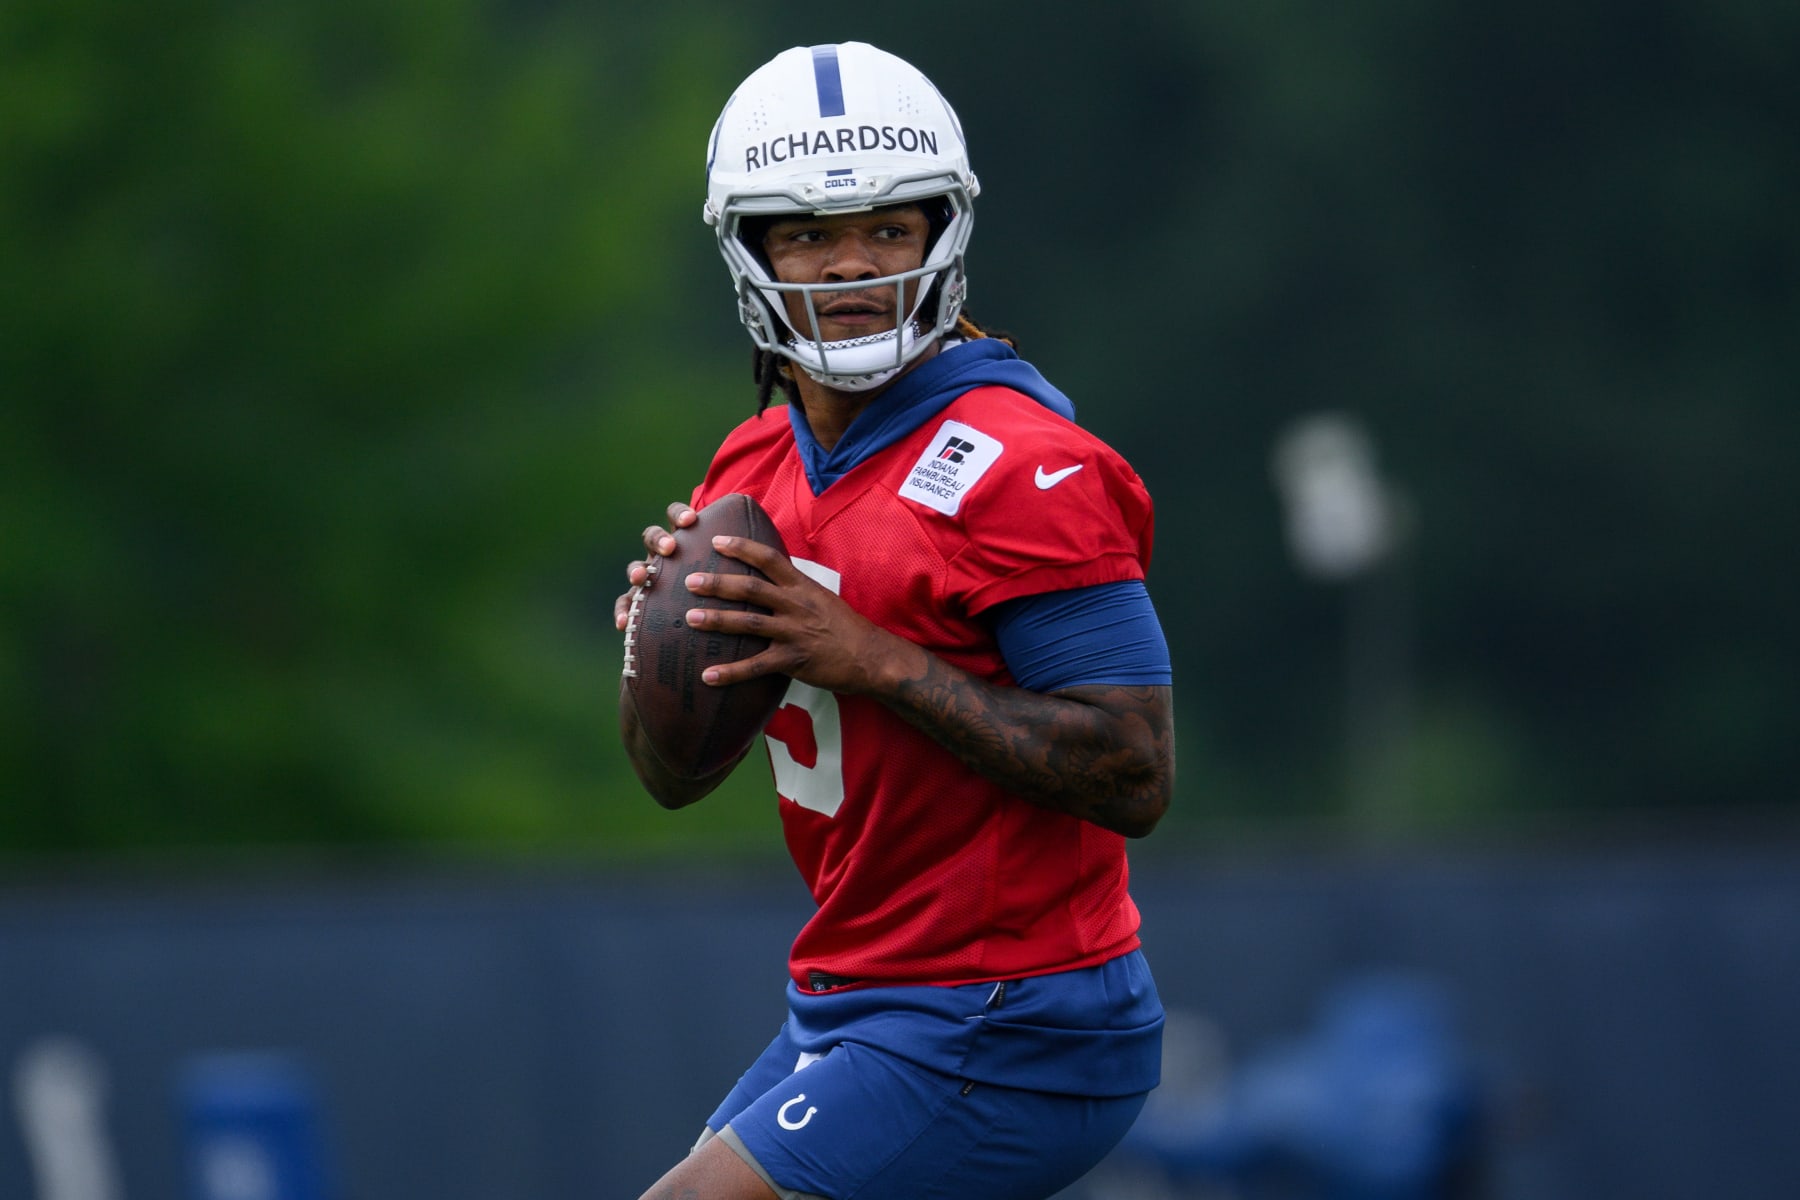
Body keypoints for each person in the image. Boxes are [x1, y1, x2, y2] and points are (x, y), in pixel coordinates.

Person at [615, 42, 1176, 1200]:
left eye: (887, 228)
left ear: (941, 236)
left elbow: (1135, 770)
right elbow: (670, 781)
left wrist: (873, 660)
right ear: (751, 253)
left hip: (1015, 1014)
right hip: (855, 995)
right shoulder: (754, 465)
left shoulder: (1025, 469)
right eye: (809, 235)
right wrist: (665, 656)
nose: (853, 266)